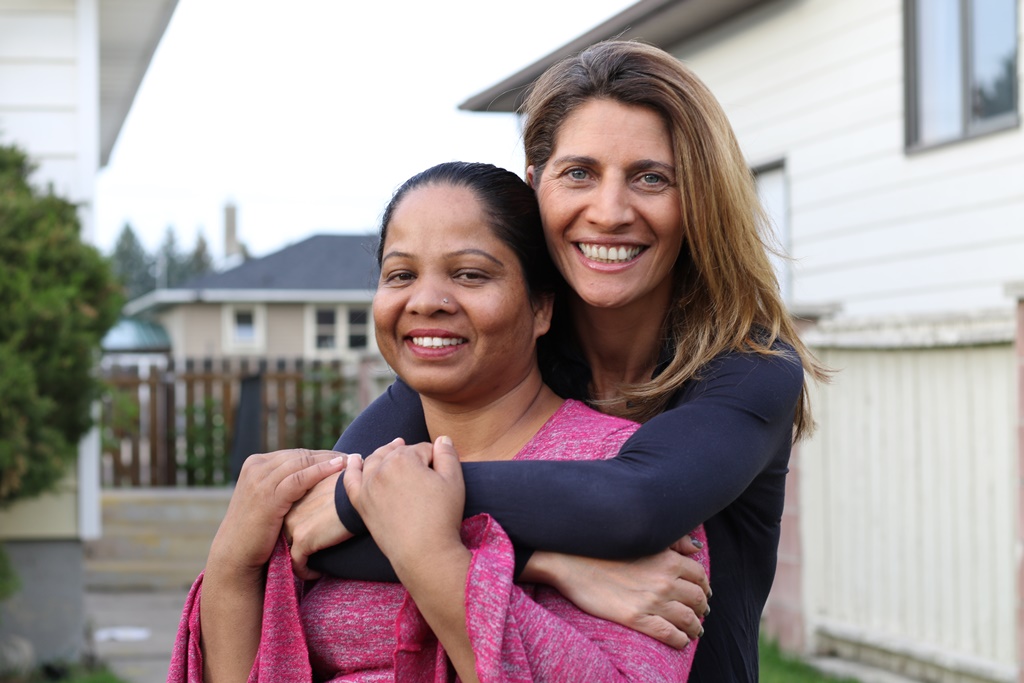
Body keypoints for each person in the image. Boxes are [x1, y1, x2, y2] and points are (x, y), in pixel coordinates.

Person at [283, 39, 828, 683]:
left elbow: (635, 505)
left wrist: (373, 496)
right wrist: (550, 561)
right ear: (536, 186)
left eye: (651, 177)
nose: (610, 211)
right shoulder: (506, 351)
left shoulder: (750, 367)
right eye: (580, 173)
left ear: (699, 200)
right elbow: (320, 542)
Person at [168, 161, 709, 683]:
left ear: (543, 308)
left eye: (470, 274)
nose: (426, 301)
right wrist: (234, 561)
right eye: (400, 274)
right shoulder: (344, 487)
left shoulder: (616, 472)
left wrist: (434, 556)